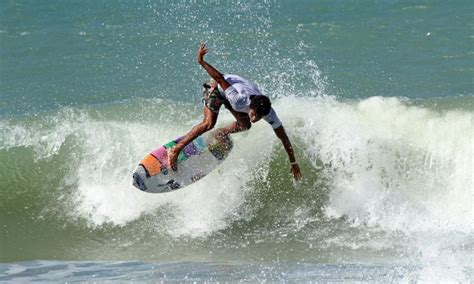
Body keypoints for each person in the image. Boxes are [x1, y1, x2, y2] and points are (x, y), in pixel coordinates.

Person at [168, 42, 302, 180]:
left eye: (258, 117)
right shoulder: (240, 100)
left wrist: (293, 162)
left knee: (245, 125)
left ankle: (221, 134)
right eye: (253, 114)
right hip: (216, 88)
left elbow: (284, 138)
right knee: (209, 123)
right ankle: (176, 149)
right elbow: (219, 78)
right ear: (250, 106)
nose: (254, 119)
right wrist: (201, 61)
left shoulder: (268, 112)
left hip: (229, 95)